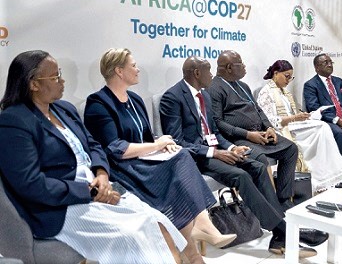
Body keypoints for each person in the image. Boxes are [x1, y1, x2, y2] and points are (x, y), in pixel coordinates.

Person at [0, 50, 187, 263]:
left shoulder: (65, 109)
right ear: (33, 84)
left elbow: (94, 145)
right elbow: (31, 185)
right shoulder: (13, 121)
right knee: (130, 235)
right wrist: (91, 191)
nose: (63, 80)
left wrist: (102, 174)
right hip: (61, 207)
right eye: (55, 77)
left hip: (99, 189)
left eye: (59, 73)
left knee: (156, 220)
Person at [160, 56, 327, 257]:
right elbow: (177, 142)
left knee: (256, 167)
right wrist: (216, 152)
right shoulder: (173, 97)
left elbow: (214, 133)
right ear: (197, 74)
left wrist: (230, 148)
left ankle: (280, 230)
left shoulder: (204, 96)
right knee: (242, 176)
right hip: (197, 158)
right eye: (208, 70)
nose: (212, 74)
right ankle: (284, 231)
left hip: (218, 150)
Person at [83, 48, 235, 264]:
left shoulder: (134, 99)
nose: (137, 70)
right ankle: (196, 238)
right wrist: (155, 145)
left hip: (146, 162)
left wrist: (162, 143)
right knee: (180, 170)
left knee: (180, 154)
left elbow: (146, 137)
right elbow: (115, 149)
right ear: (118, 71)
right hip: (123, 169)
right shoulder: (98, 103)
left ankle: (193, 249)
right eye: (133, 65)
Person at [206, 50, 299, 210]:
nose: (244, 67)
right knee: (260, 159)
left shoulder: (243, 86)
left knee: (291, 149)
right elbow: (218, 123)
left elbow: (258, 110)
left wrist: (269, 127)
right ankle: (271, 206)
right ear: (229, 67)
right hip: (238, 138)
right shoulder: (215, 88)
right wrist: (248, 134)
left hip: (260, 134)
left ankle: (283, 199)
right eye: (240, 64)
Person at [257, 60, 342, 192]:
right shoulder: (266, 92)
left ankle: (324, 175)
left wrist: (304, 115)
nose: (289, 80)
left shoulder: (285, 92)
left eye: (291, 77)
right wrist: (294, 118)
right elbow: (268, 121)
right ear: (276, 73)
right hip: (280, 129)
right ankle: (318, 177)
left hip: (293, 125)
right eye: (287, 76)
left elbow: (294, 113)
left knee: (322, 126)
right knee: (321, 128)